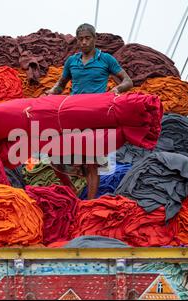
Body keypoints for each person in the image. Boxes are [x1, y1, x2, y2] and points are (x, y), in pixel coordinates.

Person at [46, 23, 133, 200]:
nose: (84, 42)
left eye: (87, 38)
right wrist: (51, 92)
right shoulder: (72, 61)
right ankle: (72, 192)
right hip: (72, 112)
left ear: (95, 39)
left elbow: (127, 81)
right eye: (81, 39)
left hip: (95, 114)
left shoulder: (105, 59)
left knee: (91, 160)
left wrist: (116, 90)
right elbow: (61, 84)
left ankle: (89, 203)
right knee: (54, 156)